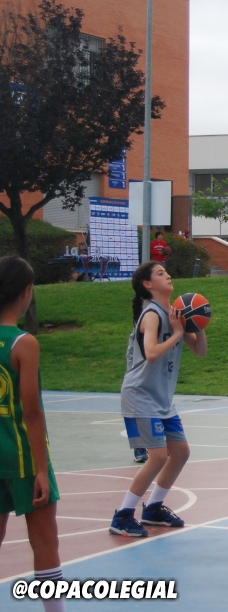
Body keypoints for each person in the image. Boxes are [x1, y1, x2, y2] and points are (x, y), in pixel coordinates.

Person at [110, 261, 208, 537]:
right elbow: (152, 353)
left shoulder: (175, 313)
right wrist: (177, 332)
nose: (168, 275)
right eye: (161, 273)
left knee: (181, 452)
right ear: (148, 284)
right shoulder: (151, 315)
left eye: (167, 271)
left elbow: (200, 351)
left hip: (162, 398)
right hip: (140, 395)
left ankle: (153, 508)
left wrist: (198, 324)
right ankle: (122, 515)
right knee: (157, 456)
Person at [0, 257, 68, 612]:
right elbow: (31, 411)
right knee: (44, 542)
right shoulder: (23, 343)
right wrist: (41, 469)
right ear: (26, 292)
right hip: (22, 455)